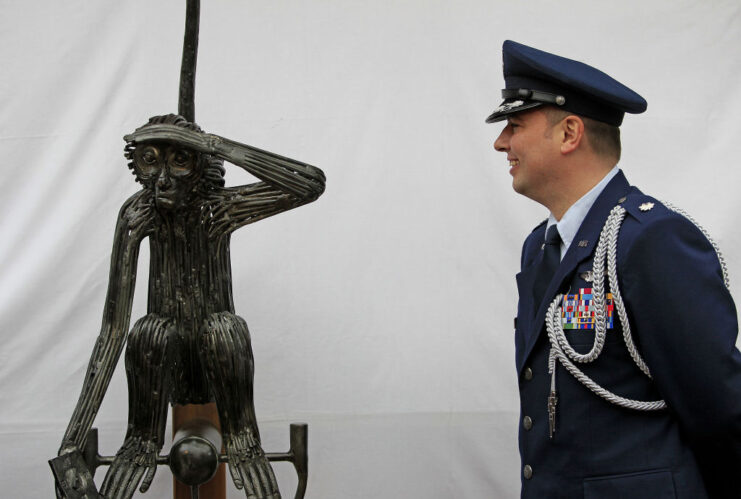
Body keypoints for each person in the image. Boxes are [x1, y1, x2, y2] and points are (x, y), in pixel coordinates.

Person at [487, 40, 741, 498]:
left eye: (515, 124)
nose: (501, 142)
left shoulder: (650, 240)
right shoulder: (540, 248)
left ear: (569, 134)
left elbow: (719, 409)